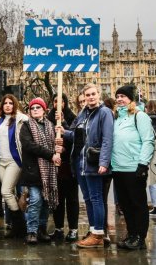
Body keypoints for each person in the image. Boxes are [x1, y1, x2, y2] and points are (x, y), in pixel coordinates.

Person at [56, 83, 114, 248]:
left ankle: (98, 235)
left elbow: (108, 139)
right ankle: (93, 230)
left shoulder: (104, 113)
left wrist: (104, 162)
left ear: (98, 94)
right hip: (80, 163)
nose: (90, 97)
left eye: (93, 94)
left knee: (96, 198)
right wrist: (63, 131)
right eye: (87, 95)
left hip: (94, 161)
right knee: (88, 199)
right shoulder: (83, 114)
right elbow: (77, 135)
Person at [110, 86, 155, 250]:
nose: (120, 99)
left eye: (123, 96)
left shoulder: (139, 115)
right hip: (118, 168)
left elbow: (148, 140)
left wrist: (143, 164)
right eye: (117, 96)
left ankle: (140, 237)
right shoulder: (116, 118)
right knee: (125, 205)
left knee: (138, 204)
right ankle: (131, 234)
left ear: (131, 99)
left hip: (134, 167)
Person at [19, 98, 61, 245]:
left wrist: (60, 149)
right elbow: (29, 145)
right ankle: (31, 231)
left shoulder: (52, 126)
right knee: (36, 200)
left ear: (44, 110)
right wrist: (51, 155)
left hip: (48, 171)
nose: (35, 110)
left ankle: (42, 229)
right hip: (33, 170)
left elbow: (56, 146)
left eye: (38, 107)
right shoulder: (26, 126)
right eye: (32, 108)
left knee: (45, 201)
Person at [46, 93, 79, 242]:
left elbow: (76, 139)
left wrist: (64, 123)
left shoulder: (72, 118)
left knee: (71, 199)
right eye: (55, 101)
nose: (58, 104)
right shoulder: (48, 120)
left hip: (69, 165)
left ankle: (73, 229)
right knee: (57, 200)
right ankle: (58, 228)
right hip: (55, 164)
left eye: (61, 101)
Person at [0, 94, 27, 238]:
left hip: (14, 161)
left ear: (15, 105)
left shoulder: (21, 119)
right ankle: (17, 226)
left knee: (5, 191)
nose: (8, 105)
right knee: (10, 194)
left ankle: (19, 225)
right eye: (5, 103)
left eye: (10, 103)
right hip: (1, 161)